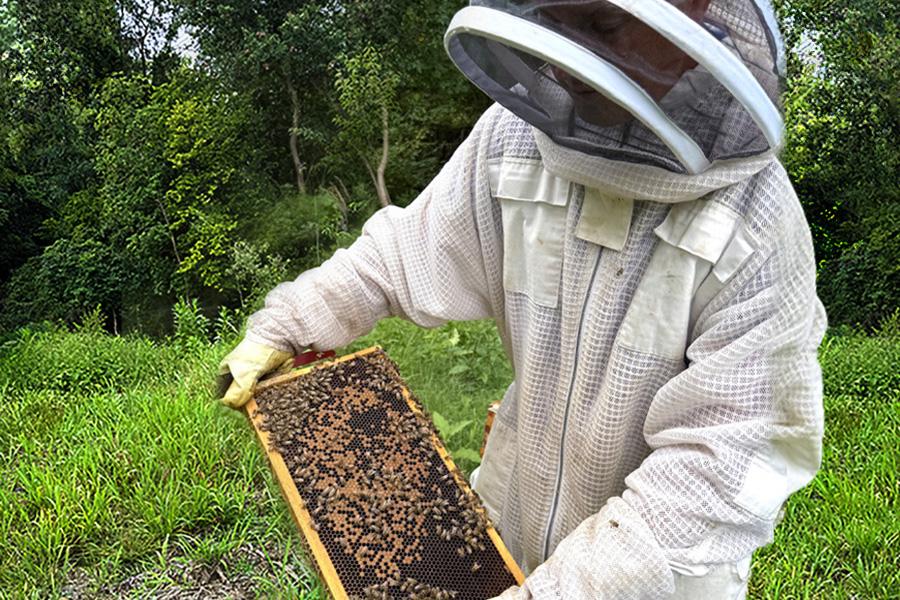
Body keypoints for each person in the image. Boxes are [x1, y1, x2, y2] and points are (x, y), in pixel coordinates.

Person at [217, 1, 826, 597]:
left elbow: (714, 471)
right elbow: (403, 252)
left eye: (602, 25)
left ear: (694, 8)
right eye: (555, 27)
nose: (561, 68)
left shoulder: (760, 225)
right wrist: (289, 325)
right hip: (510, 517)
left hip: (653, 577)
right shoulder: (517, 139)